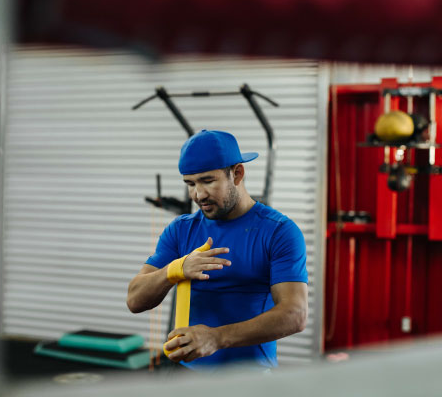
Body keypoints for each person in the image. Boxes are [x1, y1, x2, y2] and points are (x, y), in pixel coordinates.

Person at [126, 130, 308, 370]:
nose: (198, 195)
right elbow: (134, 300)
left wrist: (216, 338)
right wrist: (175, 269)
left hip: (250, 378)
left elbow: (295, 314)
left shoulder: (279, 231)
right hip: (188, 374)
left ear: (237, 173)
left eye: (208, 181)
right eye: (190, 184)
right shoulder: (180, 230)